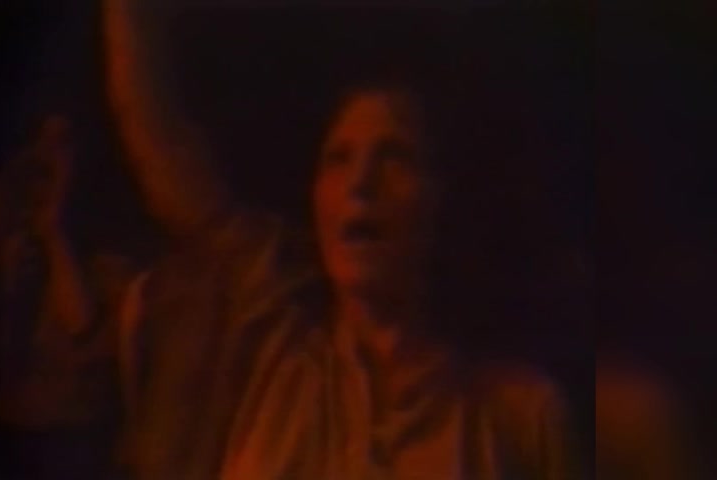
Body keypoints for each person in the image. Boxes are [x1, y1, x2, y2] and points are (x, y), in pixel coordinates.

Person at [107, 2, 578, 478]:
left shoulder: (518, 416)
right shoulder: (275, 352)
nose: (361, 182)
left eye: (394, 156)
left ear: (444, 195)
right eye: (339, 158)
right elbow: (163, 150)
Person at [0, 115, 137, 479]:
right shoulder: (12, 239)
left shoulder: (108, 256)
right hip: (13, 430)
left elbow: (80, 326)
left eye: (63, 143)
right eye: (40, 140)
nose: (48, 156)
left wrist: (53, 233)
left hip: (74, 437)